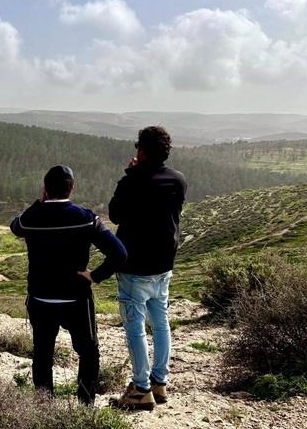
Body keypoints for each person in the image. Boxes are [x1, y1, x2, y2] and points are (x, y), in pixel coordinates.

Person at [11, 165, 127, 405]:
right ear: (72, 188)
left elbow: (15, 227)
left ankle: (44, 406)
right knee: (88, 351)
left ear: (45, 188)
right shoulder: (86, 219)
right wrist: (95, 275)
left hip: (40, 298)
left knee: (42, 353)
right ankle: (85, 405)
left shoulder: (33, 218)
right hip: (76, 298)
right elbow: (119, 253)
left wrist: (38, 203)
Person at [109, 126, 187, 411]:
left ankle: (140, 389)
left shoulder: (131, 182)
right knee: (160, 323)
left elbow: (115, 214)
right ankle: (159, 383)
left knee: (135, 327)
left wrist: (131, 173)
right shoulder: (177, 180)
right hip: (163, 264)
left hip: (134, 266)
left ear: (141, 151)